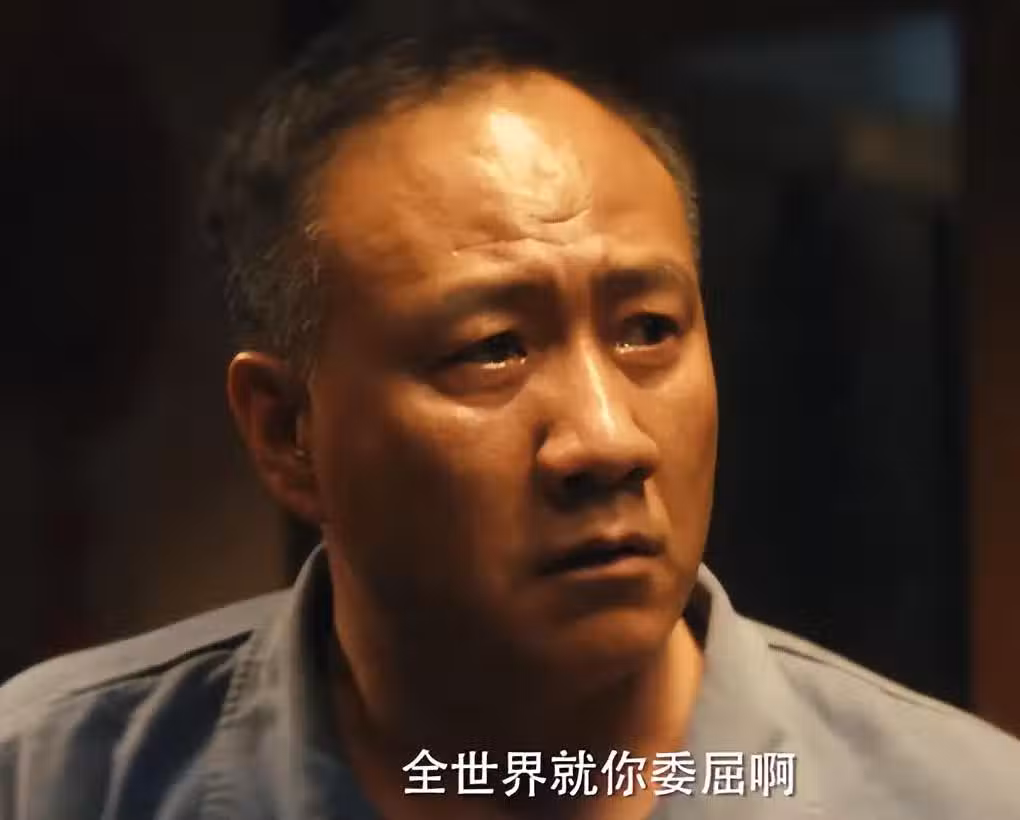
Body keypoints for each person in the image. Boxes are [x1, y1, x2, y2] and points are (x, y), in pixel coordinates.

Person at [2, 6, 1018, 819]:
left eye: (648, 330)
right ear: (285, 431)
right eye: (492, 348)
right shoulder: (51, 778)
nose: (607, 439)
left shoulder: (957, 798)